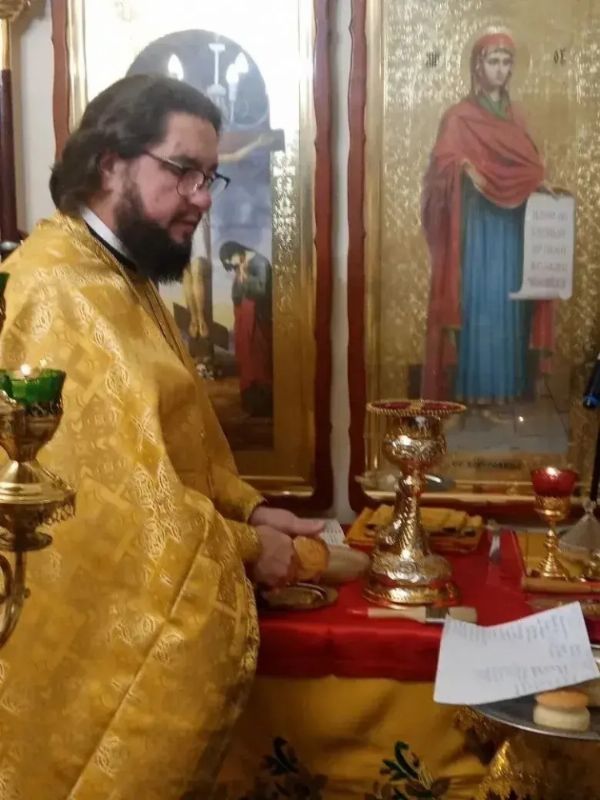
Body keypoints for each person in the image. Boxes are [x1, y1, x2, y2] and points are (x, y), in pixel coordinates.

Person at [0, 74, 322, 799]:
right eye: (183, 171)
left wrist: (251, 510)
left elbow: (181, 444)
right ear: (110, 163)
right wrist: (249, 550)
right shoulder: (56, 293)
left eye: (210, 177)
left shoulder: (120, 277)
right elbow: (112, 508)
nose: (203, 198)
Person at [421, 29, 553, 405]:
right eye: (493, 61)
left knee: (510, 304)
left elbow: (529, 166)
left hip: (512, 230)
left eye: (506, 62)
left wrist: (539, 184)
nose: (500, 69)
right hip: (477, 229)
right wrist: (463, 167)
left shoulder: (517, 118)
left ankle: (509, 392)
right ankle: (475, 392)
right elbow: (441, 167)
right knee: (481, 302)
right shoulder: (459, 118)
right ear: (478, 66)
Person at [220, 240, 273, 417]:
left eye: (233, 261)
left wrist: (245, 278)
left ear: (237, 251)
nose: (234, 266)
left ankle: (263, 406)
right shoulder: (241, 266)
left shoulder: (260, 263)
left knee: (259, 360)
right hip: (244, 319)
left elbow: (262, 290)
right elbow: (236, 295)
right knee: (245, 358)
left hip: (258, 320)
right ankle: (249, 403)